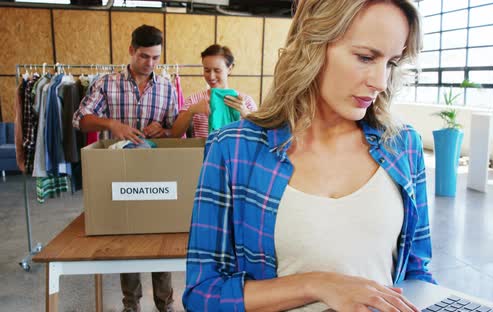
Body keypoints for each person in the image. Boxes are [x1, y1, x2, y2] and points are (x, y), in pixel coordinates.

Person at [183, 0, 434, 311]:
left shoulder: (403, 146)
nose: (380, 82)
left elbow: (417, 274)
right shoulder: (234, 149)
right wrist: (316, 284)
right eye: (366, 57)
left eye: (392, 62)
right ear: (312, 45)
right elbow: (203, 294)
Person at [73, 25, 177, 312]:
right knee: (127, 237)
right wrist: (110, 124)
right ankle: (131, 305)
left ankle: (165, 304)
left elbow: (176, 130)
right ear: (131, 50)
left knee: (159, 237)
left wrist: (164, 130)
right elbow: (80, 119)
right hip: (118, 174)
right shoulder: (106, 83)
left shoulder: (167, 87)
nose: (151, 63)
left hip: (156, 174)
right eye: (145, 56)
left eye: (156, 58)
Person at [170, 44, 257, 138]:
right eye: (207, 70)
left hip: (236, 152)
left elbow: (259, 136)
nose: (211, 76)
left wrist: (245, 113)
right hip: (203, 152)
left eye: (217, 70)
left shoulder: (245, 101)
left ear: (230, 68)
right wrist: (191, 111)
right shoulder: (194, 100)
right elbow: (175, 134)